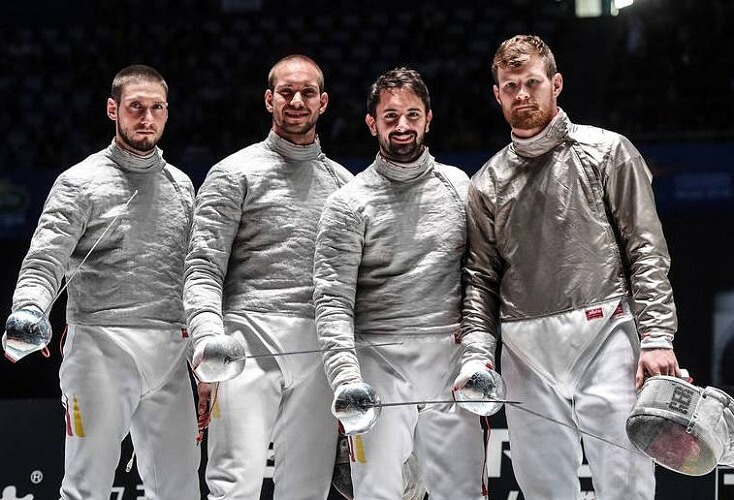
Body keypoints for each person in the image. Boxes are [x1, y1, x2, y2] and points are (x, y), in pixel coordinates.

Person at [456, 34, 680, 499]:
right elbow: (479, 279)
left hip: (605, 335)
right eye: (510, 86)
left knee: (627, 483)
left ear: (555, 84)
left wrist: (657, 336)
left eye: (532, 83)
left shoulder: (609, 151)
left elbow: (645, 248)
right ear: (497, 94)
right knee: (542, 490)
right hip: (524, 351)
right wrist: (478, 351)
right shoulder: (485, 183)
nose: (522, 94)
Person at [5, 65, 199, 500]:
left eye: (156, 109)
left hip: (170, 351)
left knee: (180, 489)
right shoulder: (79, 182)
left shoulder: (181, 186)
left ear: (167, 113)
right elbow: (45, 257)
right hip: (100, 347)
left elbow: (193, 271)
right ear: (113, 110)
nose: (146, 118)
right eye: (135, 108)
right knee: (87, 485)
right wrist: (31, 308)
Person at [313, 67, 488, 500]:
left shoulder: (460, 188)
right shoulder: (349, 202)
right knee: (377, 493)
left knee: (463, 491)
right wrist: (346, 378)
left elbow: (480, 278)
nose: (403, 126)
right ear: (372, 124)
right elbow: (332, 300)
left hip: (449, 363)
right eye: (390, 117)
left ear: (429, 118)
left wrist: (477, 355)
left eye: (412, 114)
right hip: (378, 365)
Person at [184, 54, 353, 500]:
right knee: (233, 483)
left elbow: (354, 285)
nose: (297, 101)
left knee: (306, 490)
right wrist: (206, 343)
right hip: (245, 343)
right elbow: (202, 267)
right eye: (286, 92)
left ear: (323, 102)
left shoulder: (345, 185)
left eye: (308, 93)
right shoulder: (232, 172)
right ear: (269, 99)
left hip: (318, 350)